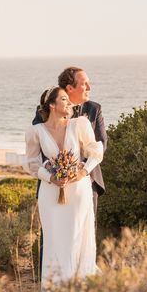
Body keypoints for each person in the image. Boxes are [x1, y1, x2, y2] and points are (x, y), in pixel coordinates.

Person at [26, 86, 103, 289]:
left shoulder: (80, 124)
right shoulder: (36, 131)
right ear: (52, 105)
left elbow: (96, 150)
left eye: (69, 100)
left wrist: (83, 172)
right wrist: (51, 177)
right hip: (50, 194)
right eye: (64, 99)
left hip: (78, 192)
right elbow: (32, 164)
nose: (70, 103)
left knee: (76, 239)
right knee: (53, 241)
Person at [32, 67, 107, 216]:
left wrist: (80, 169)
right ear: (70, 88)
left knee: (84, 232)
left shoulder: (94, 109)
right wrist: (56, 171)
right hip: (53, 183)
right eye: (84, 84)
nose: (89, 88)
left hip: (87, 181)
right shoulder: (45, 110)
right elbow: (37, 145)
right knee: (52, 234)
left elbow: (102, 143)